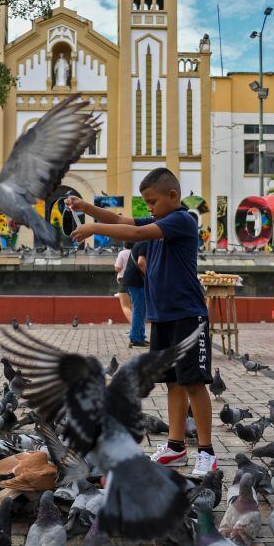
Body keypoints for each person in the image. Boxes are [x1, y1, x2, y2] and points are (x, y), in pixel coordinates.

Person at [68, 167, 217, 477]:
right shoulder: (161, 220)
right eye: (146, 203)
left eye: (152, 202)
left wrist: (93, 227)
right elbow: (124, 221)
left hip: (188, 314)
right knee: (173, 382)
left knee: (193, 382)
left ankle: (207, 452)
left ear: (172, 196)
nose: (149, 208)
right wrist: (86, 208)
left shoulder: (182, 220)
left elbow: (134, 234)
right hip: (163, 315)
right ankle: (176, 446)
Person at [122, 239, 149, 348]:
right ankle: (135, 338)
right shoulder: (145, 242)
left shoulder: (142, 242)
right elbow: (141, 262)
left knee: (142, 309)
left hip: (135, 281)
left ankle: (140, 336)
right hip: (136, 282)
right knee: (139, 310)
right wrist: (150, 276)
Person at [114, 244, 133, 323]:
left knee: (125, 307)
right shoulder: (136, 251)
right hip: (136, 281)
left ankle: (135, 329)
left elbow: (118, 268)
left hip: (124, 281)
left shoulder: (122, 253)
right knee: (133, 307)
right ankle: (137, 330)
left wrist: (115, 265)